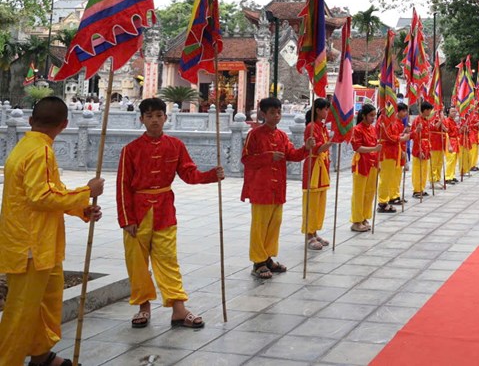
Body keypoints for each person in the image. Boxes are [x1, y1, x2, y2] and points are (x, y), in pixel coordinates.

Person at [0, 97, 104, 366]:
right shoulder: (40, 152)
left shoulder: (26, 146)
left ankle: (41, 356)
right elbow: (42, 197)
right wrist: (86, 192)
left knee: (42, 306)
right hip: (30, 246)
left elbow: (47, 192)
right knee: (21, 312)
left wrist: (81, 208)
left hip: (35, 242)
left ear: (31, 121)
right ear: (64, 125)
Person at [116, 97, 224, 329]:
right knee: (137, 262)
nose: (154, 120)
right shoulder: (130, 150)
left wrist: (210, 175)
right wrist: (126, 219)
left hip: (165, 210)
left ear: (166, 118)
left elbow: (189, 174)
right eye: (149, 116)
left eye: (158, 116)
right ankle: (143, 307)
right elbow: (123, 186)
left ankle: (178, 308)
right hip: (137, 211)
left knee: (168, 260)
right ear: (141, 119)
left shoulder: (175, 145)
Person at [241, 97, 319, 279]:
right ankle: (258, 261)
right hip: (261, 188)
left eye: (279, 113)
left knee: (274, 224)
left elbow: (292, 154)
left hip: (278, 188)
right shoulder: (255, 135)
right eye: (272, 113)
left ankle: (268, 257)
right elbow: (246, 159)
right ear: (263, 114)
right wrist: (268, 156)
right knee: (260, 226)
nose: (277, 116)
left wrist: (306, 148)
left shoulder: (282, 135)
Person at [302, 98, 332, 250]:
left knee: (320, 203)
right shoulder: (311, 127)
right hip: (313, 167)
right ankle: (309, 234)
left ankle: (314, 231)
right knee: (311, 203)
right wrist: (332, 141)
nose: (327, 112)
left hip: (322, 167)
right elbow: (317, 149)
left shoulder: (322, 127)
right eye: (325, 109)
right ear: (318, 110)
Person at [349, 104, 382, 232]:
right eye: (371, 115)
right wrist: (374, 149)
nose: (373, 118)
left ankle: (364, 217)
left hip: (372, 163)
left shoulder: (372, 129)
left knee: (369, 192)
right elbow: (357, 147)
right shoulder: (357, 129)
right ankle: (356, 220)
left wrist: (378, 161)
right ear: (364, 116)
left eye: (374, 115)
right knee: (359, 193)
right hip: (361, 163)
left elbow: (376, 146)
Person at [377, 101, 410, 212]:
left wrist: (403, 136)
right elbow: (389, 137)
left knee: (391, 177)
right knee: (385, 178)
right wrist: (402, 138)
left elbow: (395, 136)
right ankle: (382, 202)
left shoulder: (392, 121)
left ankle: (390, 197)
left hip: (393, 151)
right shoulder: (383, 120)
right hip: (386, 152)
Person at [411, 101, 434, 197]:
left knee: (424, 169)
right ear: (425, 110)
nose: (430, 112)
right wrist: (419, 150)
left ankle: (422, 188)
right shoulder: (417, 120)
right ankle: (417, 190)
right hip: (419, 146)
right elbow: (416, 136)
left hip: (426, 146)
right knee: (418, 170)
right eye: (429, 110)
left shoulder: (426, 120)